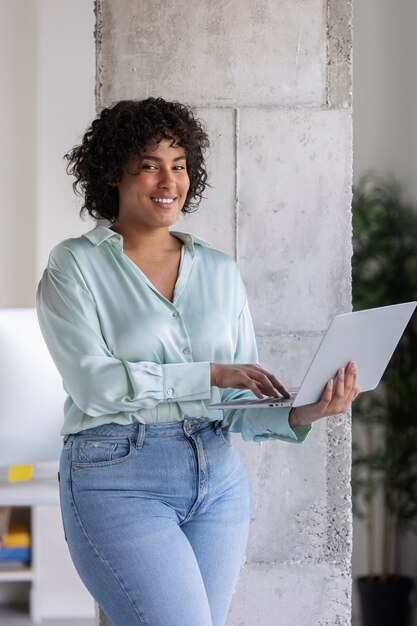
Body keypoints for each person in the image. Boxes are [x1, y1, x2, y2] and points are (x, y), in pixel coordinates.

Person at [36, 97, 360, 626]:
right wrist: (207, 375)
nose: (170, 181)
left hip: (218, 478)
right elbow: (94, 386)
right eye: (150, 165)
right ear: (114, 172)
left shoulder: (219, 269)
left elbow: (233, 401)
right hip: (117, 475)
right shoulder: (75, 266)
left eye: (180, 165)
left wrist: (303, 412)